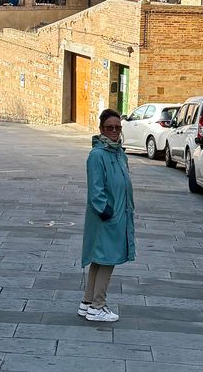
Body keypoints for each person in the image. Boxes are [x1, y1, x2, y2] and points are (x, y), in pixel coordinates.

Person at [79, 108, 135, 323]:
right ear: (101, 129)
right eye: (109, 127)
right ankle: (98, 305)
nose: (114, 131)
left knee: (99, 259)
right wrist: (105, 210)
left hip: (119, 213)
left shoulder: (118, 153)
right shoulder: (97, 155)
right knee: (108, 259)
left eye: (117, 127)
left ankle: (87, 302)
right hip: (106, 216)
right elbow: (96, 188)